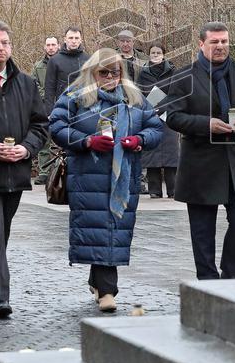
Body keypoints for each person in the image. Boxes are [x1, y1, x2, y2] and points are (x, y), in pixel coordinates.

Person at [49, 48, 163, 312]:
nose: (110, 77)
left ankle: (100, 283)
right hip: (88, 175)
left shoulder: (135, 99)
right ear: (92, 72)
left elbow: (155, 127)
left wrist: (139, 140)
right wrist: (87, 141)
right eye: (104, 72)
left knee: (113, 230)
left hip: (124, 176)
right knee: (98, 228)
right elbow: (57, 127)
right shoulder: (75, 97)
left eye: (116, 71)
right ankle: (107, 291)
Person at [165, 22, 235, 280]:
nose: (220, 46)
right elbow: (172, 117)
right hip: (200, 163)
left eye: (224, 42)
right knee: (202, 230)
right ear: (201, 44)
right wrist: (206, 124)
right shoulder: (184, 76)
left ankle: (230, 274)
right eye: (215, 42)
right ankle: (208, 280)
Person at [0, 21, 48, 319]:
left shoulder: (26, 82)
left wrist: (27, 149)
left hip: (16, 174)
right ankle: (1, 298)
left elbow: (40, 124)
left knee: (2, 234)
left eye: (5, 42)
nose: (1, 48)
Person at [135, 43, 179, 199]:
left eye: (158, 52)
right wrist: (149, 107)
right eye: (152, 52)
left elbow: (176, 92)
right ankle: (154, 190)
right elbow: (140, 93)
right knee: (152, 153)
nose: (155, 54)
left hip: (169, 117)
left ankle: (173, 189)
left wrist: (162, 106)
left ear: (164, 54)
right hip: (150, 115)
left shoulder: (173, 72)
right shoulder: (143, 74)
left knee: (171, 155)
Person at [32, 35, 59, 185]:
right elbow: (34, 85)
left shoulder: (63, 63)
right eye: (48, 45)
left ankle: (62, 169)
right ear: (45, 47)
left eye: (53, 44)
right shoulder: (38, 66)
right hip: (44, 107)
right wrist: (46, 96)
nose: (51, 47)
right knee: (45, 139)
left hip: (63, 104)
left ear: (59, 46)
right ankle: (43, 171)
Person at [44, 25, 88, 112]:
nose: (74, 41)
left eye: (76, 38)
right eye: (71, 38)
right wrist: (50, 112)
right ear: (65, 39)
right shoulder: (54, 60)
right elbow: (49, 89)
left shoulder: (88, 59)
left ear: (81, 40)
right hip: (62, 107)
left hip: (84, 107)